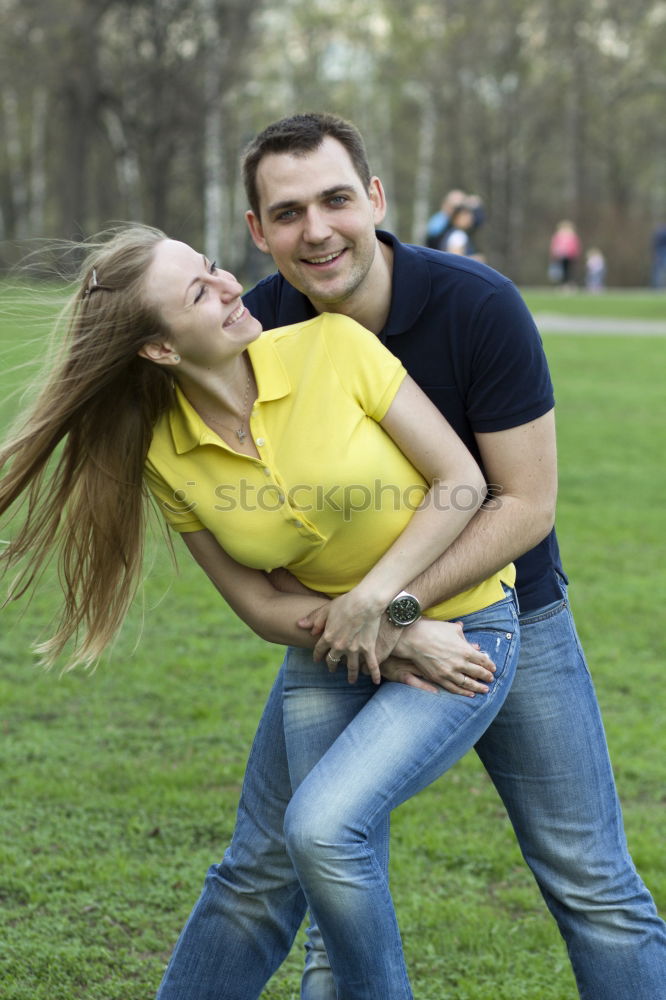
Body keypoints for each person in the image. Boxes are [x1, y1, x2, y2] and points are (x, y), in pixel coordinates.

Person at [155, 113, 666, 1000]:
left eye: (336, 199)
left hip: (511, 614)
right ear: (257, 232)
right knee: (279, 871)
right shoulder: (252, 327)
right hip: (339, 635)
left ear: (377, 200)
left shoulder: (478, 306)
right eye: (286, 213)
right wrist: (381, 626)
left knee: (591, 882)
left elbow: (525, 503)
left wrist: (393, 609)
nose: (315, 230)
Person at [0, 225, 521, 997]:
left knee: (321, 830)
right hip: (339, 651)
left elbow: (462, 482)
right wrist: (394, 638)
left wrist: (385, 606)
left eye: (213, 269)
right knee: (257, 872)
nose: (230, 287)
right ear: (161, 351)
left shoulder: (334, 347)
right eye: (199, 293)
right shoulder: (163, 451)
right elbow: (257, 602)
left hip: (467, 633)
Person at [548, 219, 582, 287]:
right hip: (561, 256)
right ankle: (563, 284)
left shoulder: (572, 236)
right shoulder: (558, 236)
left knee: (569, 270)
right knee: (562, 270)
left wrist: (576, 254)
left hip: (570, 256)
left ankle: (569, 283)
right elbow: (554, 245)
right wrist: (554, 254)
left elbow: (576, 246)